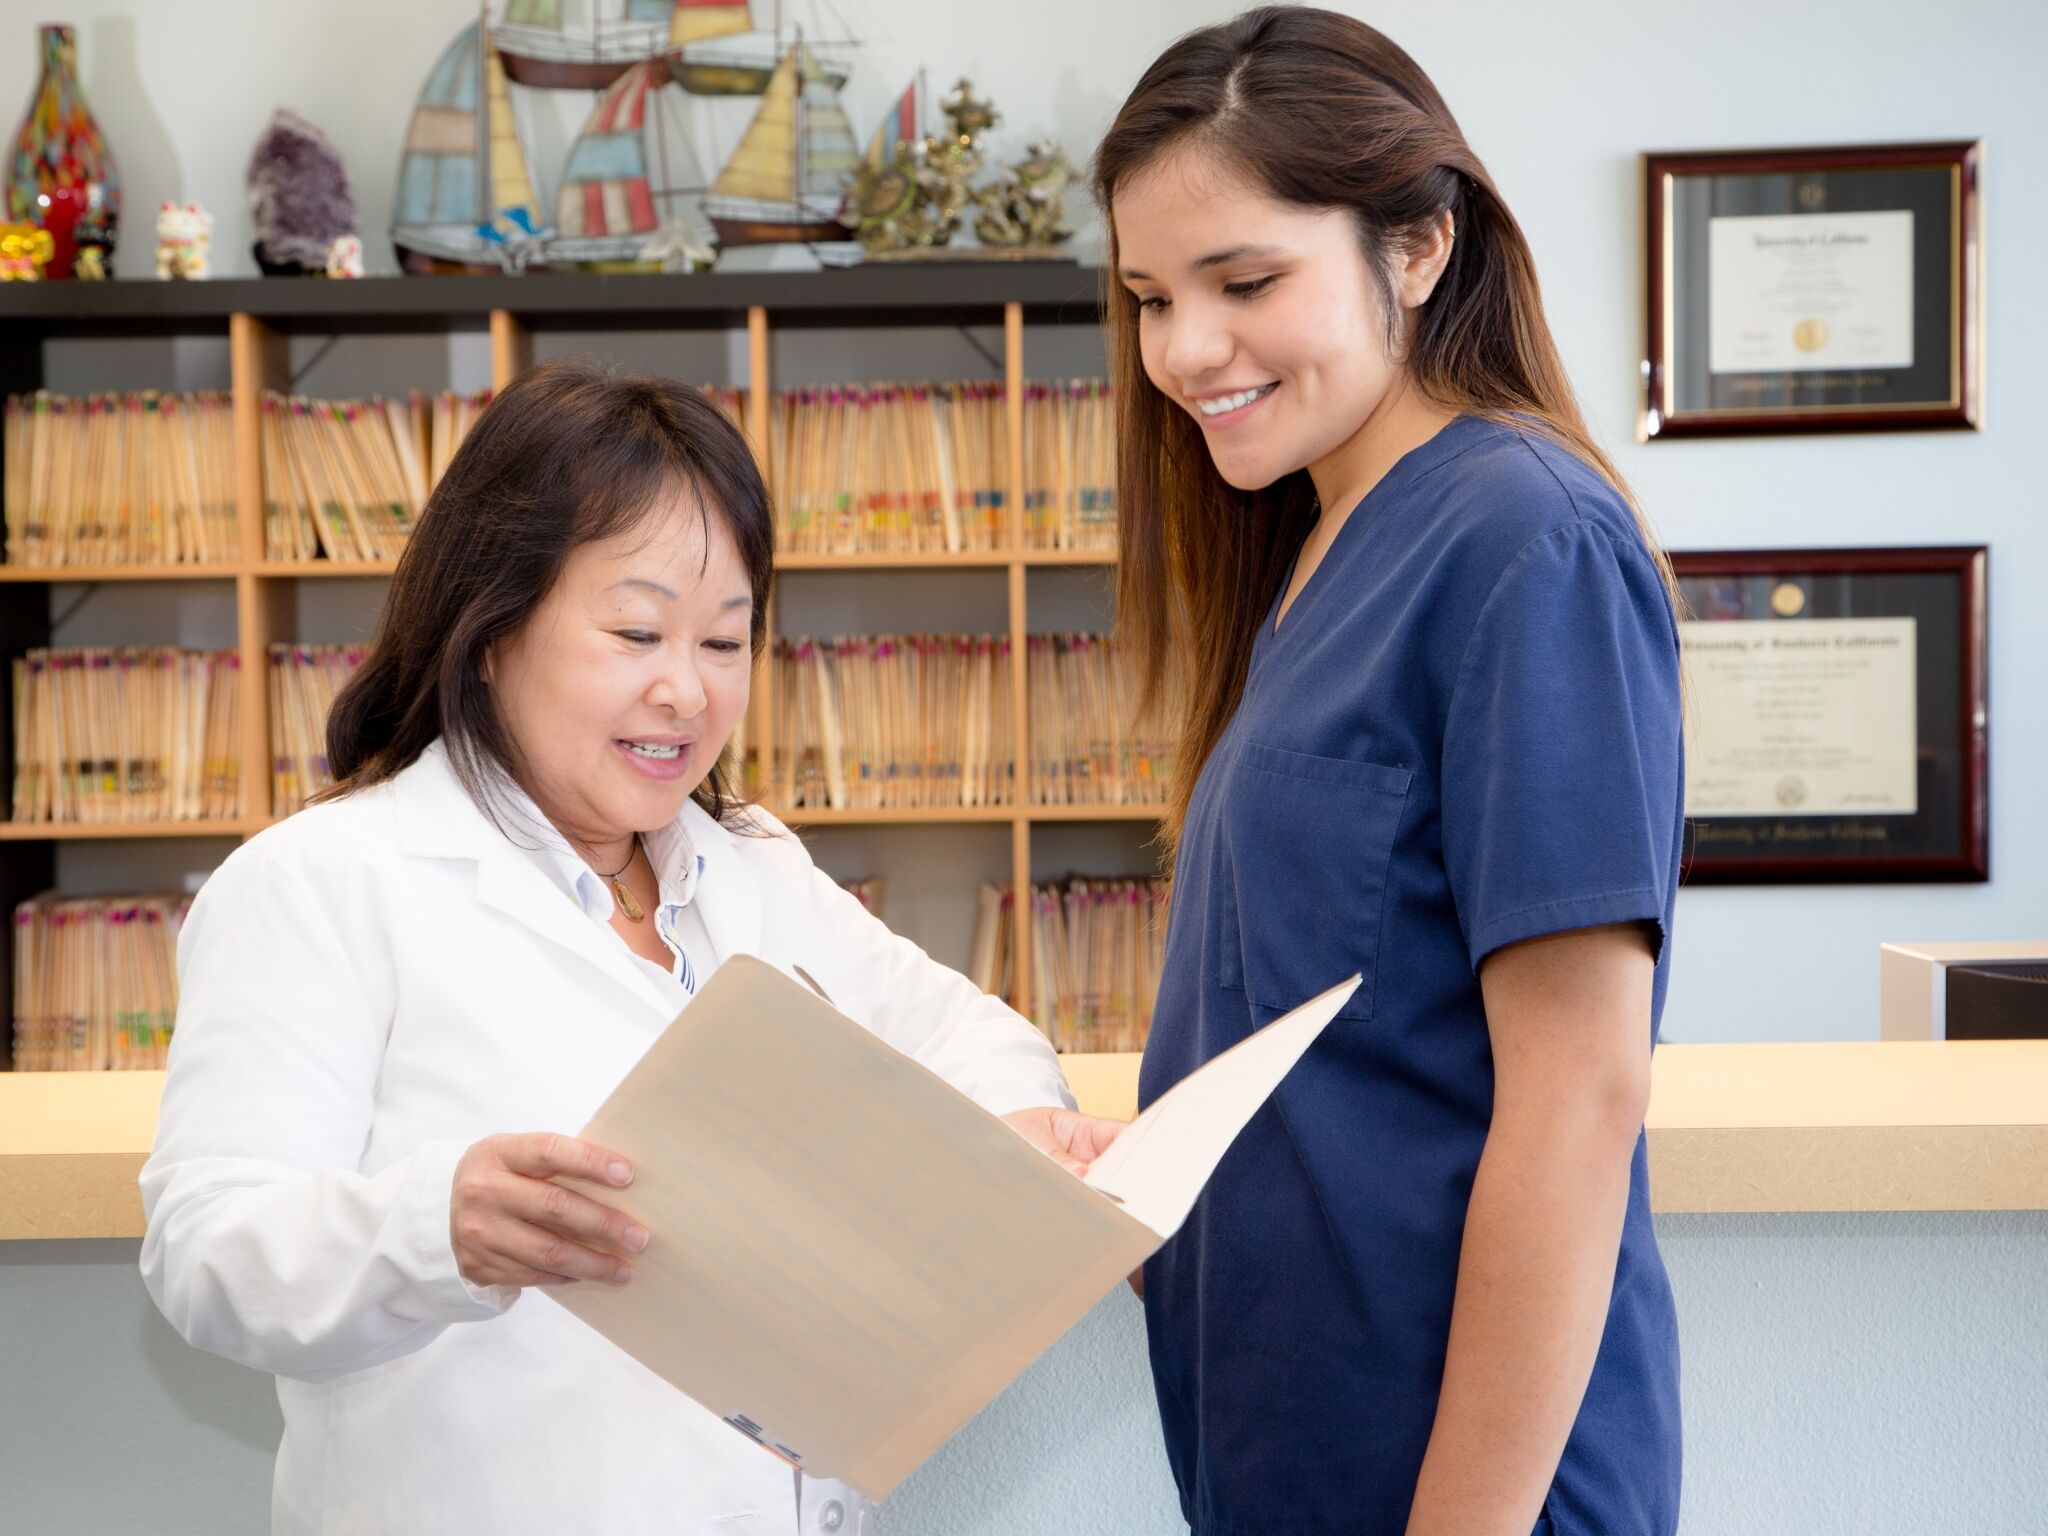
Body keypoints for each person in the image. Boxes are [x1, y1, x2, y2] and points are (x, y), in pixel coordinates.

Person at [139, 360, 1123, 1536]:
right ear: (491, 627)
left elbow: (970, 1034)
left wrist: (1005, 1137)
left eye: (724, 642)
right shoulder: (321, 885)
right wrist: (435, 1229)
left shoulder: (749, 867)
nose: (685, 692)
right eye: (636, 630)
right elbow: (206, 1255)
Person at [1095, 10, 1684, 1536]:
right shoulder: (1305, 552)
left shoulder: (1522, 540)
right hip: (1292, 1456)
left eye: (1245, 282)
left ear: (1417, 245)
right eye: (1152, 297)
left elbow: (1580, 1095)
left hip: (1457, 1485)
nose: (1183, 351)